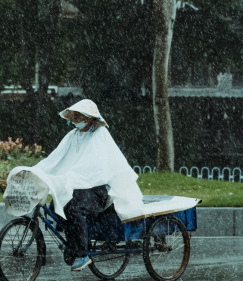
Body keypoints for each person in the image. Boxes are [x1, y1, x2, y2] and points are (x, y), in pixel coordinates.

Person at [8, 99, 144, 271]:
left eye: (79, 115)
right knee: (57, 205)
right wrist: (38, 171)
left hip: (100, 189)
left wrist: (70, 178)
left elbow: (94, 168)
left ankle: (82, 253)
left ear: (90, 118)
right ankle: (76, 242)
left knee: (73, 208)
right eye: (74, 115)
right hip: (78, 186)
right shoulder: (73, 135)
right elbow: (55, 158)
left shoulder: (100, 135)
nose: (75, 119)